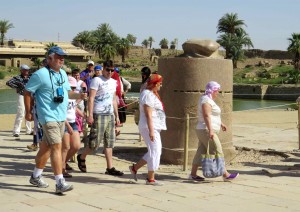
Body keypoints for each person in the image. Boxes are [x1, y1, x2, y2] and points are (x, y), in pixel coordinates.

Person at [24, 46, 87, 194]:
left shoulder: (63, 74)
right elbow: (27, 92)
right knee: (57, 147)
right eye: (59, 56)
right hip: (48, 117)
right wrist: (28, 112)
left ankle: (35, 176)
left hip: (61, 116)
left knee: (45, 148)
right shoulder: (40, 75)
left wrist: (79, 96)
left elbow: (67, 93)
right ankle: (59, 182)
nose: (62, 59)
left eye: (63, 57)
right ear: (50, 58)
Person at [77, 60, 124, 176]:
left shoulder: (114, 82)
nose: (110, 72)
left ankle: (110, 167)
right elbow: (91, 98)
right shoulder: (96, 80)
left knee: (110, 142)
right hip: (99, 113)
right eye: (108, 69)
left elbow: (114, 100)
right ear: (103, 69)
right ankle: (82, 156)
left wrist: (117, 116)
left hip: (110, 114)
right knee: (95, 142)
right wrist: (90, 115)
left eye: (112, 70)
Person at [189, 81, 239, 181]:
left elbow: (212, 115)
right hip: (206, 130)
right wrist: (211, 130)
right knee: (217, 149)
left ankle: (193, 174)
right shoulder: (206, 100)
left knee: (201, 151)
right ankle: (225, 174)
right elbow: (206, 115)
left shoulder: (207, 99)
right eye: (217, 91)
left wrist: (221, 124)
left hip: (205, 129)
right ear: (212, 90)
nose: (218, 93)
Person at [129, 74, 166, 186]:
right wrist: (151, 130)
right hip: (150, 126)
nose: (161, 85)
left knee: (154, 150)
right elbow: (148, 114)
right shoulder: (147, 95)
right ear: (154, 84)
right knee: (155, 150)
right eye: (159, 83)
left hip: (155, 126)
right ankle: (150, 178)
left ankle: (135, 168)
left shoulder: (152, 94)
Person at [61, 76, 84, 178]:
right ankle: (61, 169)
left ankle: (63, 162)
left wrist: (84, 115)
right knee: (65, 147)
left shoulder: (73, 97)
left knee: (76, 146)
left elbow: (73, 108)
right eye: (71, 88)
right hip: (63, 122)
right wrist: (67, 125)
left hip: (73, 121)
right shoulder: (62, 96)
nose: (73, 90)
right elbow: (60, 113)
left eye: (74, 88)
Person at [6, 64, 32, 137]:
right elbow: (8, 83)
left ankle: (29, 130)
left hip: (30, 96)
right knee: (21, 113)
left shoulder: (31, 77)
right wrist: (17, 87)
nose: (27, 71)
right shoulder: (17, 78)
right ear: (21, 70)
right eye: (25, 70)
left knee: (29, 112)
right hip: (22, 95)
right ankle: (16, 131)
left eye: (27, 70)